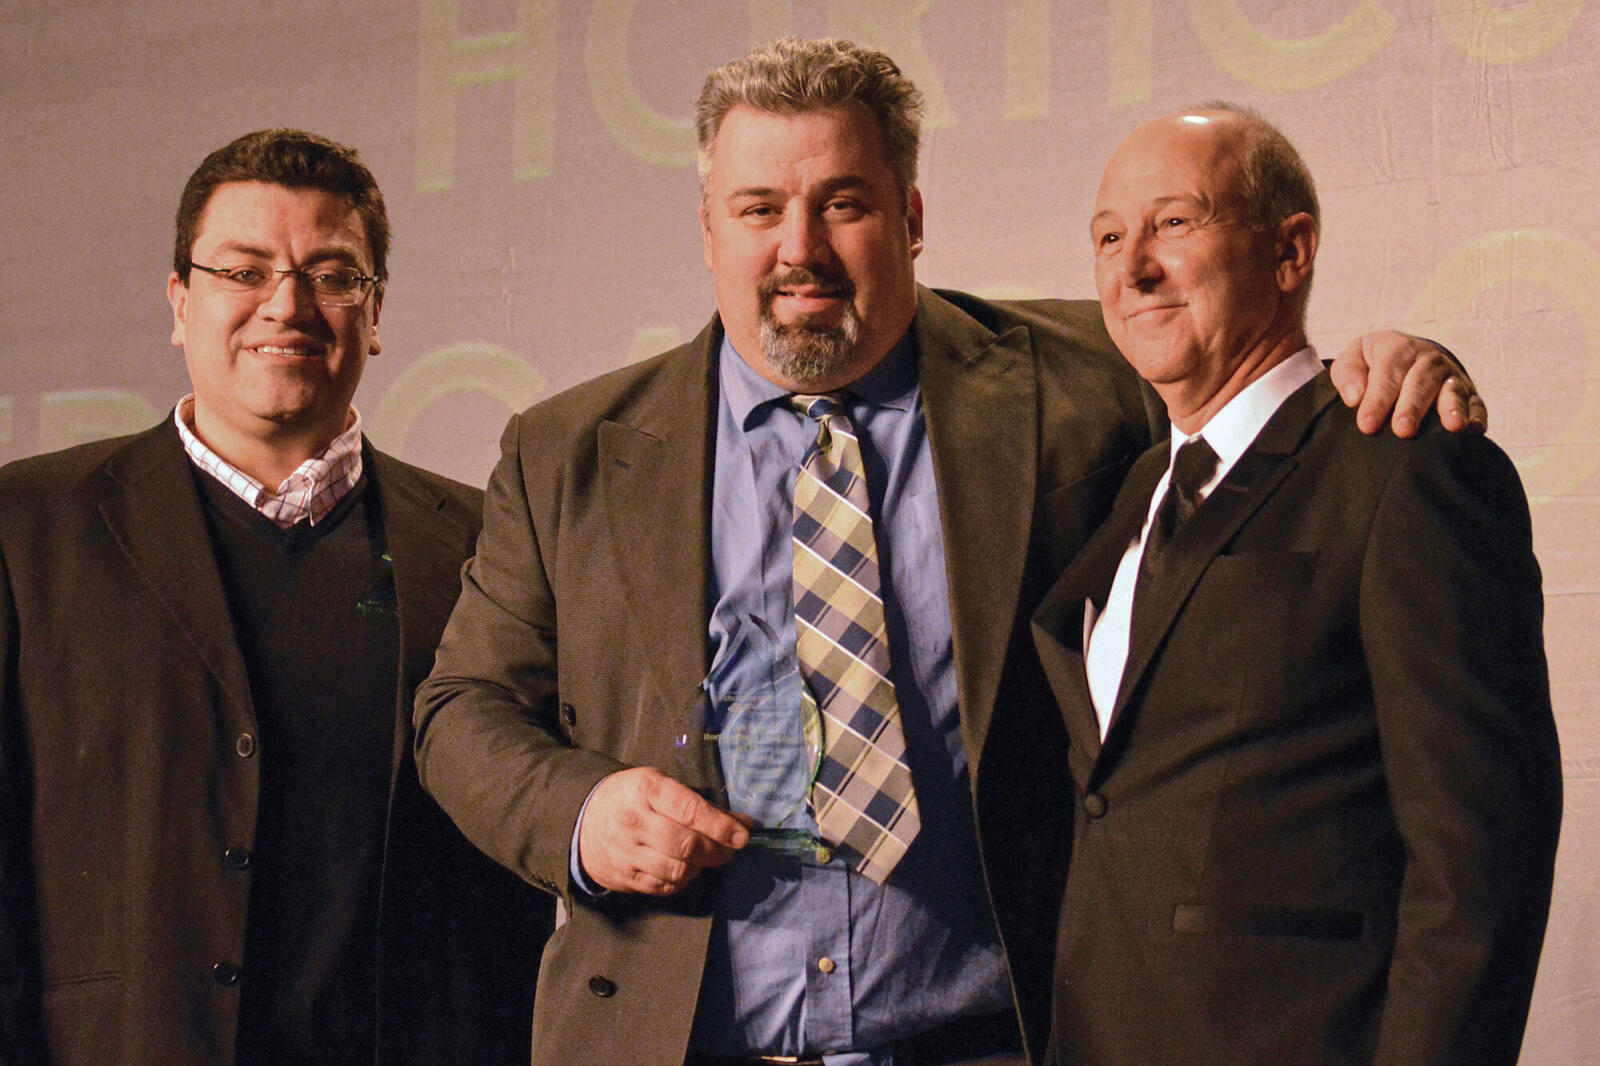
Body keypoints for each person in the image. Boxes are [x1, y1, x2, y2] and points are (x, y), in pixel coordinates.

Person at [414, 39, 1475, 1066]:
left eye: (843, 202)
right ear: (706, 229)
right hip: (682, 1040)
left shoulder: (1085, 387)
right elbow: (461, 706)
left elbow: (1235, 362)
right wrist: (580, 813)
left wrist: (1389, 362)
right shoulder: (567, 453)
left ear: (911, 218)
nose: (799, 248)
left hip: (1002, 1035)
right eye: (757, 210)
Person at [0, 129, 549, 1066]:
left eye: (332, 275)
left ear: (375, 316)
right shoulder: (26, 527)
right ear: (180, 302)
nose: (286, 305)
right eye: (243, 272)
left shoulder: (484, 544)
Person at [1031, 105, 1561, 1066]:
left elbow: (1479, 866)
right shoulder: (1138, 487)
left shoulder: (1402, 470)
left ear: (1290, 253)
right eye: (1109, 236)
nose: (1132, 266)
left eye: (1174, 223)